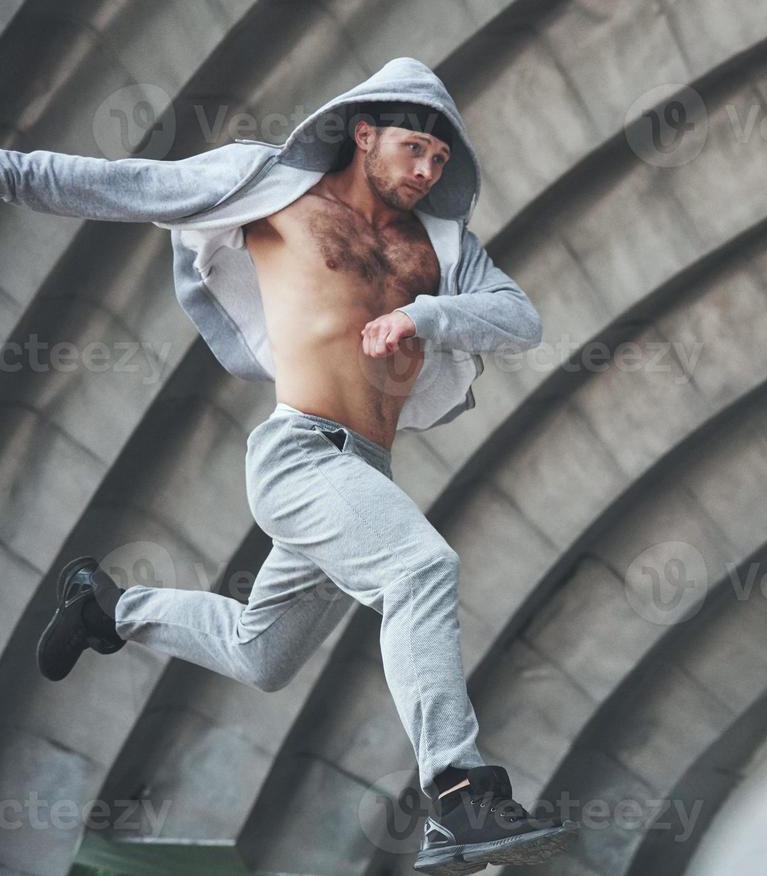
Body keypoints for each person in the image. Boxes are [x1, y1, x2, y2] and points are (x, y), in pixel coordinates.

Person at [9, 57, 577, 872]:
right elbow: (119, 183)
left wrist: (425, 313)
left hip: (363, 474)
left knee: (260, 655)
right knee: (420, 569)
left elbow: (518, 320)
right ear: (364, 133)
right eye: (414, 149)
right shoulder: (269, 188)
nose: (425, 171)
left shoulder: (443, 250)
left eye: (440, 162)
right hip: (300, 453)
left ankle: (110, 608)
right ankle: (459, 795)